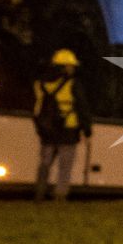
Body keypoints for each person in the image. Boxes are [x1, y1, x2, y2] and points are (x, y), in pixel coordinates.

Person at [32, 49, 92, 201]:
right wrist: (87, 130)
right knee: (65, 166)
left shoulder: (40, 83)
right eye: (70, 66)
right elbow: (82, 107)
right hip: (68, 130)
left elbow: (37, 107)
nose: (73, 69)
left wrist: (40, 128)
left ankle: (40, 191)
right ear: (64, 66)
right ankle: (60, 195)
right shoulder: (73, 83)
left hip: (46, 130)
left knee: (45, 163)